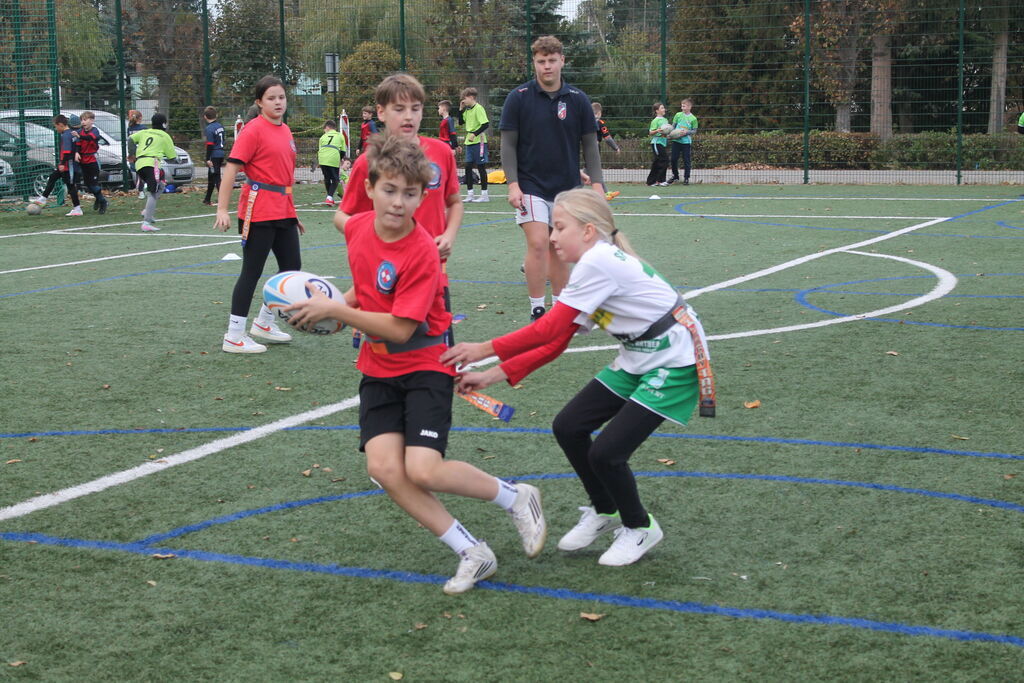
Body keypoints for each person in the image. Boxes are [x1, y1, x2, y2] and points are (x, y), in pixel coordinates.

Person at [285, 135, 546, 594]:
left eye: (410, 193)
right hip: (378, 368)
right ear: (369, 188)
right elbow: (367, 290)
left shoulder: (422, 250)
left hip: (425, 363)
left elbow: (402, 328)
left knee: (423, 468)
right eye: (390, 190)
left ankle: (516, 495)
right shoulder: (359, 228)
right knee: (385, 469)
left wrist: (336, 312)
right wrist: (331, 308)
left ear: (423, 197)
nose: (398, 202)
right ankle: (472, 551)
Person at [442, 188, 715, 567]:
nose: (551, 237)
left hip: (675, 360)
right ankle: (607, 510)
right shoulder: (590, 266)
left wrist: (483, 348)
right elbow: (556, 341)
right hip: (640, 355)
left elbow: (546, 330)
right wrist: (491, 376)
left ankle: (640, 527)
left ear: (588, 231)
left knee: (607, 453)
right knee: (570, 426)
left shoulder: (597, 262)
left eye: (559, 227)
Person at [336, 73, 463, 346]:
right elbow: (343, 215)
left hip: (432, 274)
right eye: (399, 109)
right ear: (380, 112)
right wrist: (370, 238)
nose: (409, 117)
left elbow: (454, 202)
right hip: (383, 276)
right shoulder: (368, 162)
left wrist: (449, 235)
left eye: (415, 109)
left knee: (438, 357)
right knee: (384, 357)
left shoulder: (440, 153)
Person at [500, 35, 606, 322]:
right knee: (538, 243)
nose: (547, 66)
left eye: (552, 60)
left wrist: (596, 184)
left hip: (567, 189)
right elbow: (508, 145)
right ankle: (537, 309)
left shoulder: (578, 99)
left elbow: (590, 145)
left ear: (562, 61)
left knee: (558, 247)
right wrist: (513, 184)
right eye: (541, 61)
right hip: (530, 184)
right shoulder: (518, 98)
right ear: (534, 63)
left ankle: (560, 311)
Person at [213, 75, 304, 354]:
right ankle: (234, 335)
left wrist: (292, 212)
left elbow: (282, 176)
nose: (278, 102)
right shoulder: (253, 130)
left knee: (291, 268)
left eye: (281, 97)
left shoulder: (285, 130)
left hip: (283, 208)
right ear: (259, 102)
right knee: (251, 271)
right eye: (271, 98)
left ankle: (263, 323)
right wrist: (221, 208)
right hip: (259, 209)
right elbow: (230, 170)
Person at [129, 113, 177, 232]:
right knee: (153, 192)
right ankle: (146, 221)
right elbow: (172, 156)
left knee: (161, 185)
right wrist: (176, 159)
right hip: (152, 163)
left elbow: (130, 139)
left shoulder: (145, 132)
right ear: (164, 124)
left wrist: (132, 154)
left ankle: (147, 210)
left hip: (140, 164)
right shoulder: (164, 136)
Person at [31, 114, 83, 216]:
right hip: (68, 164)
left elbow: (67, 151)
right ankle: (43, 198)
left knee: (71, 186)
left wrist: (63, 164)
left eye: (55, 126)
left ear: (60, 124)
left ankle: (77, 209)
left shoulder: (66, 135)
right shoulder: (71, 133)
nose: (55, 129)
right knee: (53, 177)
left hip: (69, 165)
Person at [458, 87, 489, 203]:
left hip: (479, 142)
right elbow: (461, 122)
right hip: (469, 142)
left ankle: (484, 194)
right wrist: (461, 109)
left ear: (471, 97)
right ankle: (470, 194)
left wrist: (475, 134)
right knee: (467, 167)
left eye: (464, 98)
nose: (463, 101)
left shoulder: (479, 108)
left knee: (481, 167)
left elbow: (485, 124)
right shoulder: (467, 110)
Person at [591, 102, 620, 201]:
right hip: (595, 148)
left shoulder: (585, 121)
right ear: (599, 112)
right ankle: (573, 192)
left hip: (587, 148)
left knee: (592, 171)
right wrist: (616, 148)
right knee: (593, 171)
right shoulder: (600, 123)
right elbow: (607, 138)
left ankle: (605, 192)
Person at [317, 119, 348, 206]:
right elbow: (343, 152)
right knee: (335, 179)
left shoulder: (322, 137)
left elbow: (320, 149)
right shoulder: (340, 135)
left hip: (322, 158)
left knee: (327, 178)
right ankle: (329, 197)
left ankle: (329, 198)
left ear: (327, 127)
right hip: (333, 158)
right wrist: (339, 159)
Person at [669, 98, 698, 185]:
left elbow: (694, 131)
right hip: (676, 141)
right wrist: (671, 134)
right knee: (673, 159)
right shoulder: (678, 115)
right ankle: (675, 176)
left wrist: (686, 132)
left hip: (686, 142)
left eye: (684, 106)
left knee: (686, 160)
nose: (682, 108)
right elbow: (673, 127)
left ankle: (686, 178)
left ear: (689, 107)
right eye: (681, 106)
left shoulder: (693, 119)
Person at [202, 106, 226, 206]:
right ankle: (207, 199)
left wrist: (208, 158)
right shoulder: (220, 126)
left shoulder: (209, 128)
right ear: (216, 115)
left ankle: (223, 200)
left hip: (214, 155)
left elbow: (210, 145)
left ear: (205, 117)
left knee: (216, 177)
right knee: (211, 177)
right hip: (221, 153)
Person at [646, 102, 670, 187]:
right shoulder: (655, 121)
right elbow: (651, 132)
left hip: (662, 142)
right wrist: (657, 131)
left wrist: (670, 134)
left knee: (658, 162)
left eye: (664, 108)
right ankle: (660, 180)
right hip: (656, 143)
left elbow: (666, 132)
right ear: (657, 111)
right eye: (662, 108)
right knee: (664, 160)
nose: (664, 109)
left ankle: (652, 181)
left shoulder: (665, 120)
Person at [126, 110, 146, 199]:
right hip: (142, 153)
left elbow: (130, 142)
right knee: (143, 171)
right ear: (140, 118)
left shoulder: (129, 129)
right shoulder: (143, 128)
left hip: (133, 153)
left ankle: (140, 190)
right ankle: (143, 189)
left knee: (137, 171)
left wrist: (131, 154)